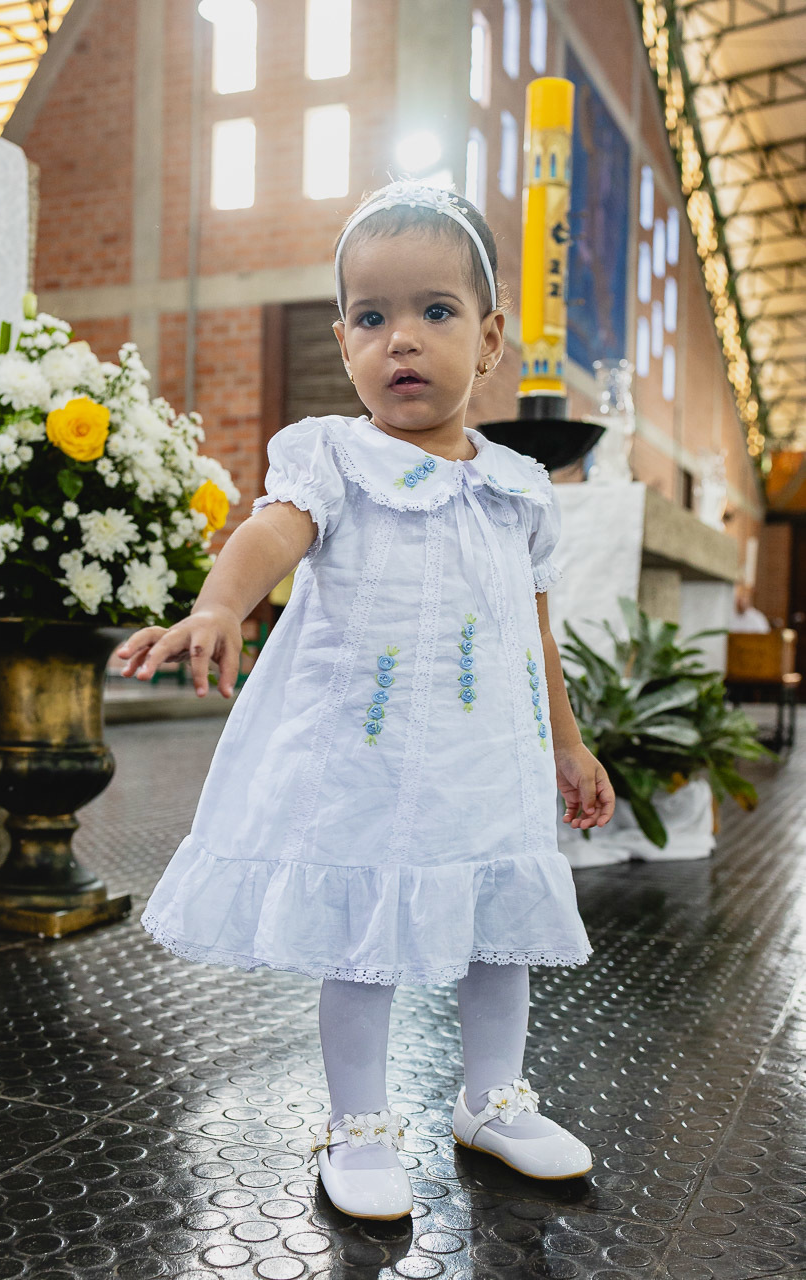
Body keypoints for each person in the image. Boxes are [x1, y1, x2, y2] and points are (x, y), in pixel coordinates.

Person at [117, 179, 616, 1221]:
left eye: (434, 312)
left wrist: (566, 746)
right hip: (367, 759)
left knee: (499, 928)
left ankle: (493, 1098)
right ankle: (359, 1121)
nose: (403, 339)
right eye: (373, 316)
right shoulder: (334, 458)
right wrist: (219, 603)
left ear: (487, 341)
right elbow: (269, 534)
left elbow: (533, 632)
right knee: (364, 935)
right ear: (344, 340)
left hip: (491, 759)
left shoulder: (519, 486)